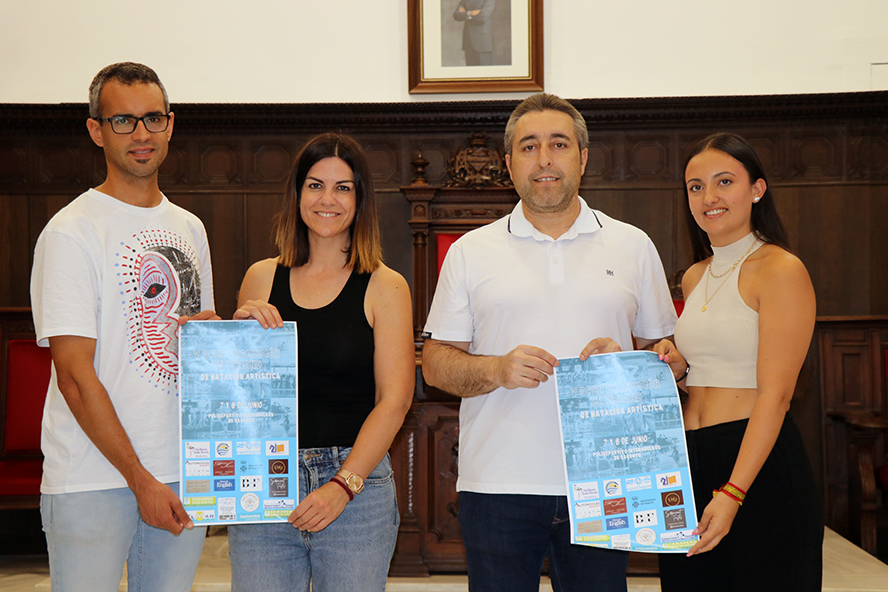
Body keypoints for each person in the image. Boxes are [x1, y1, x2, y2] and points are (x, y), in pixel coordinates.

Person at [422, 93, 677, 592]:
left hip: (606, 479)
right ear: (508, 163)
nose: (544, 159)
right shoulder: (470, 252)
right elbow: (434, 366)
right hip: (497, 485)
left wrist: (631, 363)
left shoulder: (633, 245)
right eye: (528, 146)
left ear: (583, 157)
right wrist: (496, 370)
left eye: (559, 144)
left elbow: (667, 357)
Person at [30, 62, 218, 592]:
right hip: (92, 476)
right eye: (123, 121)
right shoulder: (71, 231)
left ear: (171, 125)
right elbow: (73, 375)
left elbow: (190, 348)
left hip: (181, 469)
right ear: (96, 130)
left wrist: (232, 337)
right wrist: (140, 480)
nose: (141, 134)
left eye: (153, 119)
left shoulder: (190, 228)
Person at [228, 133, 414, 592]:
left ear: (360, 200)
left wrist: (342, 485)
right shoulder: (260, 276)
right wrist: (231, 338)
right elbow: (239, 400)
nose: (327, 199)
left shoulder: (385, 286)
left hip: (356, 486)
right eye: (315, 185)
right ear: (296, 194)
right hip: (264, 478)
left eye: (343, 187)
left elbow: (395, 401)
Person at [654, 133, 823, 591]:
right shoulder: (694, 276)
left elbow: (777, 393)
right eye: (695, 186)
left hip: (754, 463)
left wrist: (732, 493)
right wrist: (676, 366)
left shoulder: (781, 269)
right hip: (689, 458)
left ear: (756, 189)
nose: (708, 197)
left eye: (724, 181)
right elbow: (710, 369)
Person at [453, 0, 497, 65]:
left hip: (483, 43)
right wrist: (470, 13)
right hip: (468, 42)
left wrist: (465, 14)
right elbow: (456, 15)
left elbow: (482, 17)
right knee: (471, 73)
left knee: (485, 72)